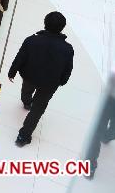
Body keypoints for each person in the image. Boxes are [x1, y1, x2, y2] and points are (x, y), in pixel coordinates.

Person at [8, 11, 74, 147]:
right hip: (50, 84)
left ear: (45, 24)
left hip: (29, 76)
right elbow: (68, 69)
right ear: (62, 28)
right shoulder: (67, 49)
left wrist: (12, 72)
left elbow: (20, 57)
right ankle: (23, 136)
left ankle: (26, 102)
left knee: (26, 90)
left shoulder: (31, 40)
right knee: (38, 109)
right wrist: (62, 81)